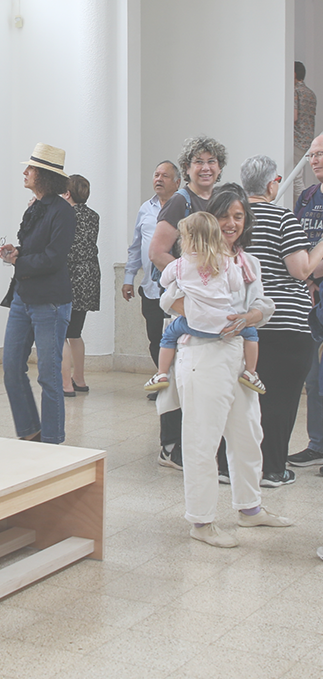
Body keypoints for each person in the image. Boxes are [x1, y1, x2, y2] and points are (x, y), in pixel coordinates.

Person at [156, 182, 289, 547]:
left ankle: (250, 508)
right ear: (210, 220)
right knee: (202, 438)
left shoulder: (247, 262)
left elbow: (263, 303)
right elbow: (168, 300)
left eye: (238, 216)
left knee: (248, 433)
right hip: (203, 354)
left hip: (238, 355)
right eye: (224, 216)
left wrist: (250, 316)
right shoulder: (192, 259)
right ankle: (201, 522)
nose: (231, 223)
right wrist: (205, 315)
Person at [240, 155, 323, 487]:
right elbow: (301, 270)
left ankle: (232, 466)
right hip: (285, 323)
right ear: (272, 184)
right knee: (280, 399)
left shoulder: (232, 217)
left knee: (245, 398)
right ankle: (272, 469)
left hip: (244, 322)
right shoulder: (282, 217)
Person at [148, 135, 228, 469]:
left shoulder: (222, 200)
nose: (205, 168)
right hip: (185, 303)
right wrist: (192, 281)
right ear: (187, 168)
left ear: (220, 167)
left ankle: (201, 443)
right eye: (199, 162)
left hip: (214, 307)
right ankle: (171, 446)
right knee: (178, 378)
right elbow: (157, 252)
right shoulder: (180, 202)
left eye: (211, 162)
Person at [0, 143, 75, 445]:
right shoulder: (34, 208)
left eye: (30, 168)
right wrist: (16, 252)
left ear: (44, 175)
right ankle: (31, 431)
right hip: (23, 296)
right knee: (11, 367)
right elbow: (34, 250)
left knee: (48, 375)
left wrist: (20, 262)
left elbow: (54, 258)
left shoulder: (63, 213)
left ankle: (52, 440)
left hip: (50, 302)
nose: (25, 172)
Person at [144, 212, 262, 394]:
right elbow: (237, 285)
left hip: (192, 322)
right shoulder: (226, 262)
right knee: (251, 333)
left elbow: (164, 281)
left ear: (186, 239)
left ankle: (161, 373)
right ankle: (251, 372)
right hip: (224, 323)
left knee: (168, 336)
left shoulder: (179, 264)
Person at [123, 160, 182, 373]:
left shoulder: (185, 207)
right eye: (156, 175)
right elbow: (136, 246)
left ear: (177, 182)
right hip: (151, 288)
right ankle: (164, 378)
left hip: (180, 289)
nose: (159, 179)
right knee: (155, 338)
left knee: (179, 339)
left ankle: (178, 382)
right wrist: (128, 278)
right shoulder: (146, 209)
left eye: (165, 176)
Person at [289, 131, 323, 468]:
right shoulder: (308, 197)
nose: (315, 160)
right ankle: (317, 444)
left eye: (321, 154)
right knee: (313, 378)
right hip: (310, 294)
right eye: (312, 154)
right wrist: (309, 278)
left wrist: (311, 270)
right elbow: (297, 242)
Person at [60, 174, 100, 396]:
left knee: (60, 333)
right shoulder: (93, 216)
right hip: (89, 277)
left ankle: (65, 383)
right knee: (75, 332)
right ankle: (80, 379)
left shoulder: (64, 215)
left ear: (67, 194)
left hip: (69, 277)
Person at [292, 61, 317, 200]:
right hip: (308, 141)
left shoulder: (295, 91)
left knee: (295, 178)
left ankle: (305, 204)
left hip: (297, 139)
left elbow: (294, 116)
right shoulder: (310, 93)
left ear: (294, 74)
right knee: (298, 175)